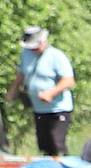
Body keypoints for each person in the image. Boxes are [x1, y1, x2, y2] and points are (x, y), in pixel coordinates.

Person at [13, 26, 76, 157]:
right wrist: (12, 91)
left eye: (35, 47)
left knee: (57, 143)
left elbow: (69, 80)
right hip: (39, 109)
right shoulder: (25, 54)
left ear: (43, 42)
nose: (33, 50)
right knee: (44, 145)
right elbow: (21, 74)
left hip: (58, 109)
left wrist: (50, 93)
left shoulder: (56, 56)